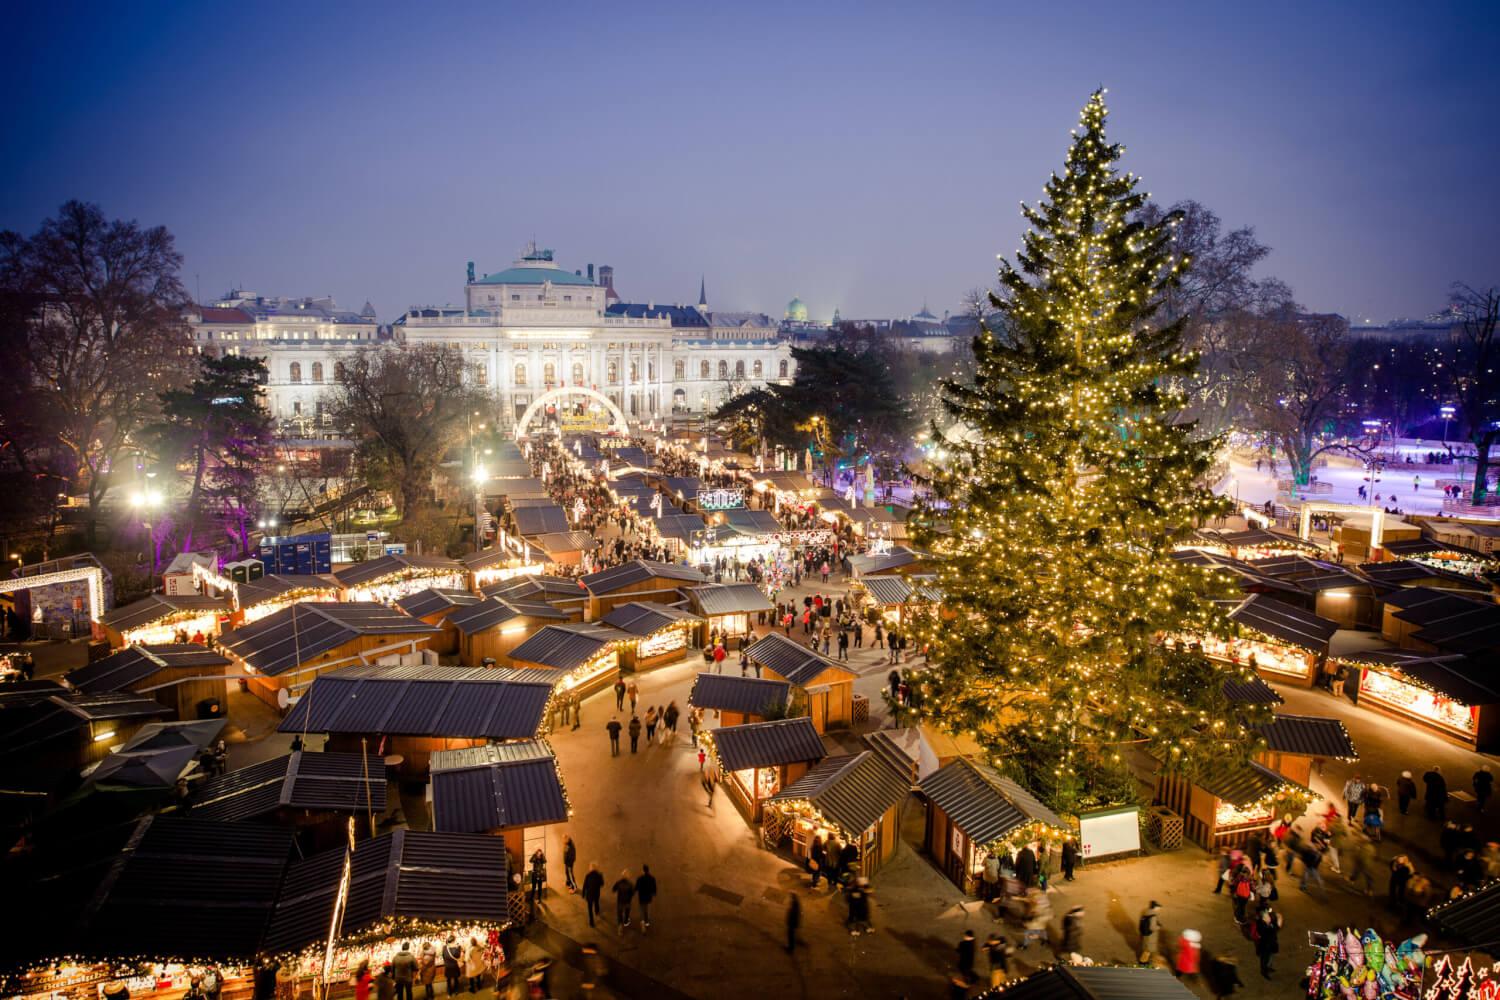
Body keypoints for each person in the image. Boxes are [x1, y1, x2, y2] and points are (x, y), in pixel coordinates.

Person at [1253, 906, 1282, 978]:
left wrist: (1277, 922)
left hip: (1272, 944)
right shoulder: (1260, 925)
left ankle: (1268, 967)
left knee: (1271, 957)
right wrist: (1279, 921)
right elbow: (1273, 930)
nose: (1270, 918)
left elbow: (1274, 926)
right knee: (1264, 960)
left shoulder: (1269, 921)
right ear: (1263, 918)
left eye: (1269, 916)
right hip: (1265, 947)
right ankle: (1264, 972)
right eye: (1267, 917)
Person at [635, 864, 657, 929]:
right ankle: (647, 922)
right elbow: (654, 887)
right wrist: (654, 893)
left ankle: (642, 921)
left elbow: (636, 888)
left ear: (643, 871)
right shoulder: (652, 878)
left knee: (642, 910)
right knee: (647, 910)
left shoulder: (639, 878)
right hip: (648, 898)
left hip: (641, 898)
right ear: (648, 870)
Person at [583, 863, 604, 927]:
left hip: (589, 894)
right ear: (596, 868)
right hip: (596, 894)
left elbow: (585, 885)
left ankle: (591, 921)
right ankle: (597, 911)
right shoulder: (599, 875)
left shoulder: (588, 875)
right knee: (596, 902)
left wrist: (583, 894)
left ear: (590, 868)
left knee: (590, 908)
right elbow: (602, 884)